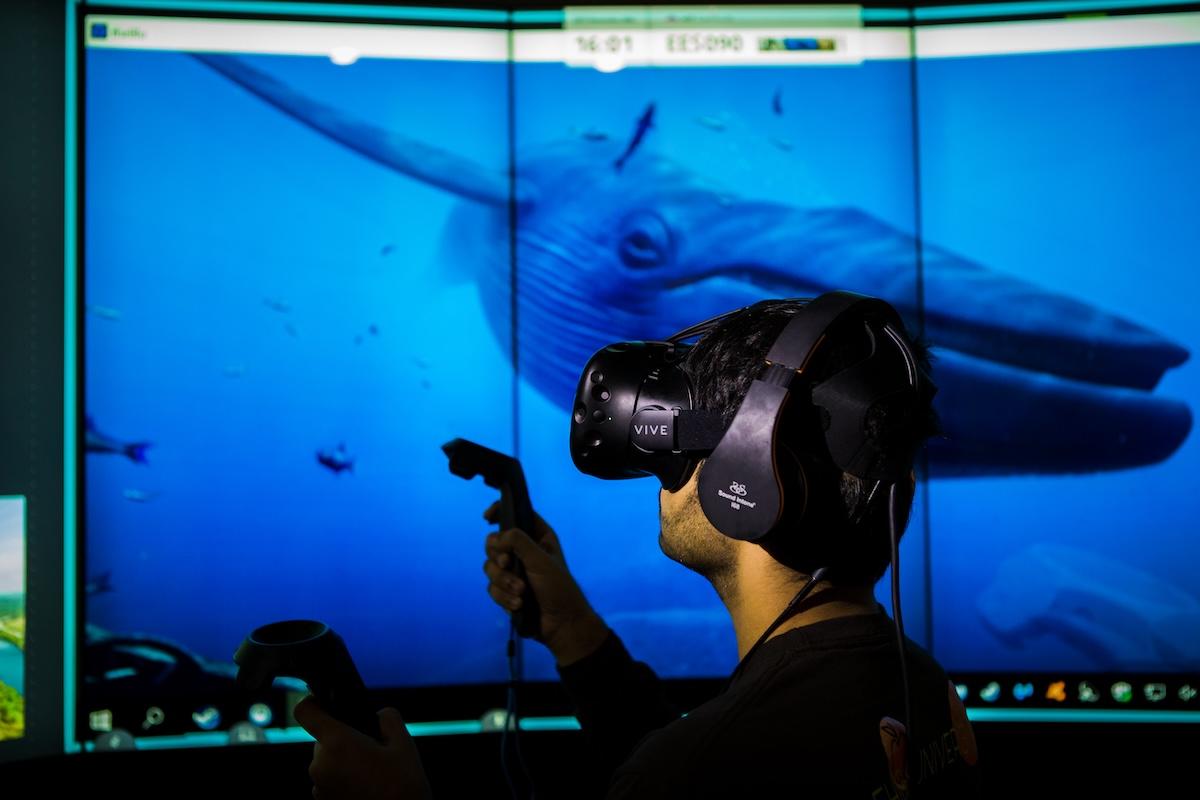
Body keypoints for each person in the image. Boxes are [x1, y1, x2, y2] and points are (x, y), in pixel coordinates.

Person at [295, 297, 980, 799]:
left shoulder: (694, 776)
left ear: (748, 475)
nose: (659, 475)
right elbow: (699, 751)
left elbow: (692, 765)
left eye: (673, 444)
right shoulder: (922, 693)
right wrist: (574, 632)